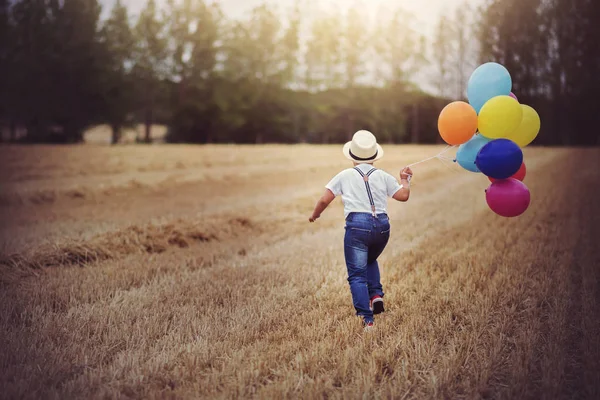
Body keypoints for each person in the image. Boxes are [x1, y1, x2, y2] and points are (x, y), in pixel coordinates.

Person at [309, 130, 413, 331]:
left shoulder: (344, 175)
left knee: (357, 274)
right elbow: (403, 196)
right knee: (370, 259)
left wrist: (316, 215)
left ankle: (367, 320)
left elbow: (324, 199)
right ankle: (375, 296)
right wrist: (405, 180)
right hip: (382, 226)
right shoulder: (382, 175)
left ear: (352, 156)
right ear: (374, 156)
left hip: (357, 226)